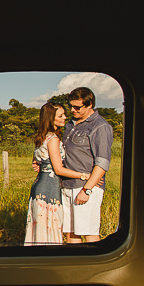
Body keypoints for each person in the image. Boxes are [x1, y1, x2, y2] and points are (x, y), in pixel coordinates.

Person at [26, 102, 89, 244]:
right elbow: (58, 169)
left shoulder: (41, 137)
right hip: (49, 189)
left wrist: (38, 164)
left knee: (40, 228)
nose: (65, 117)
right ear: (51, 118)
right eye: (60, 116)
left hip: (39, 186)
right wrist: (84, 175)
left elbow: (36, 160)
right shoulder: (53, 139)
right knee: (49, 227)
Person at [60, 87, 113, 243]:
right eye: (71, 106)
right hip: (67, 184)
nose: (72, 110)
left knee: (89, 233)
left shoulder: (100, 126)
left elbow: (102, 162)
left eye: (77, 107)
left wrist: (87, 189)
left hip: (84, 186)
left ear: (90, 105)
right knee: (71, 234)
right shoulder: (70, 124)